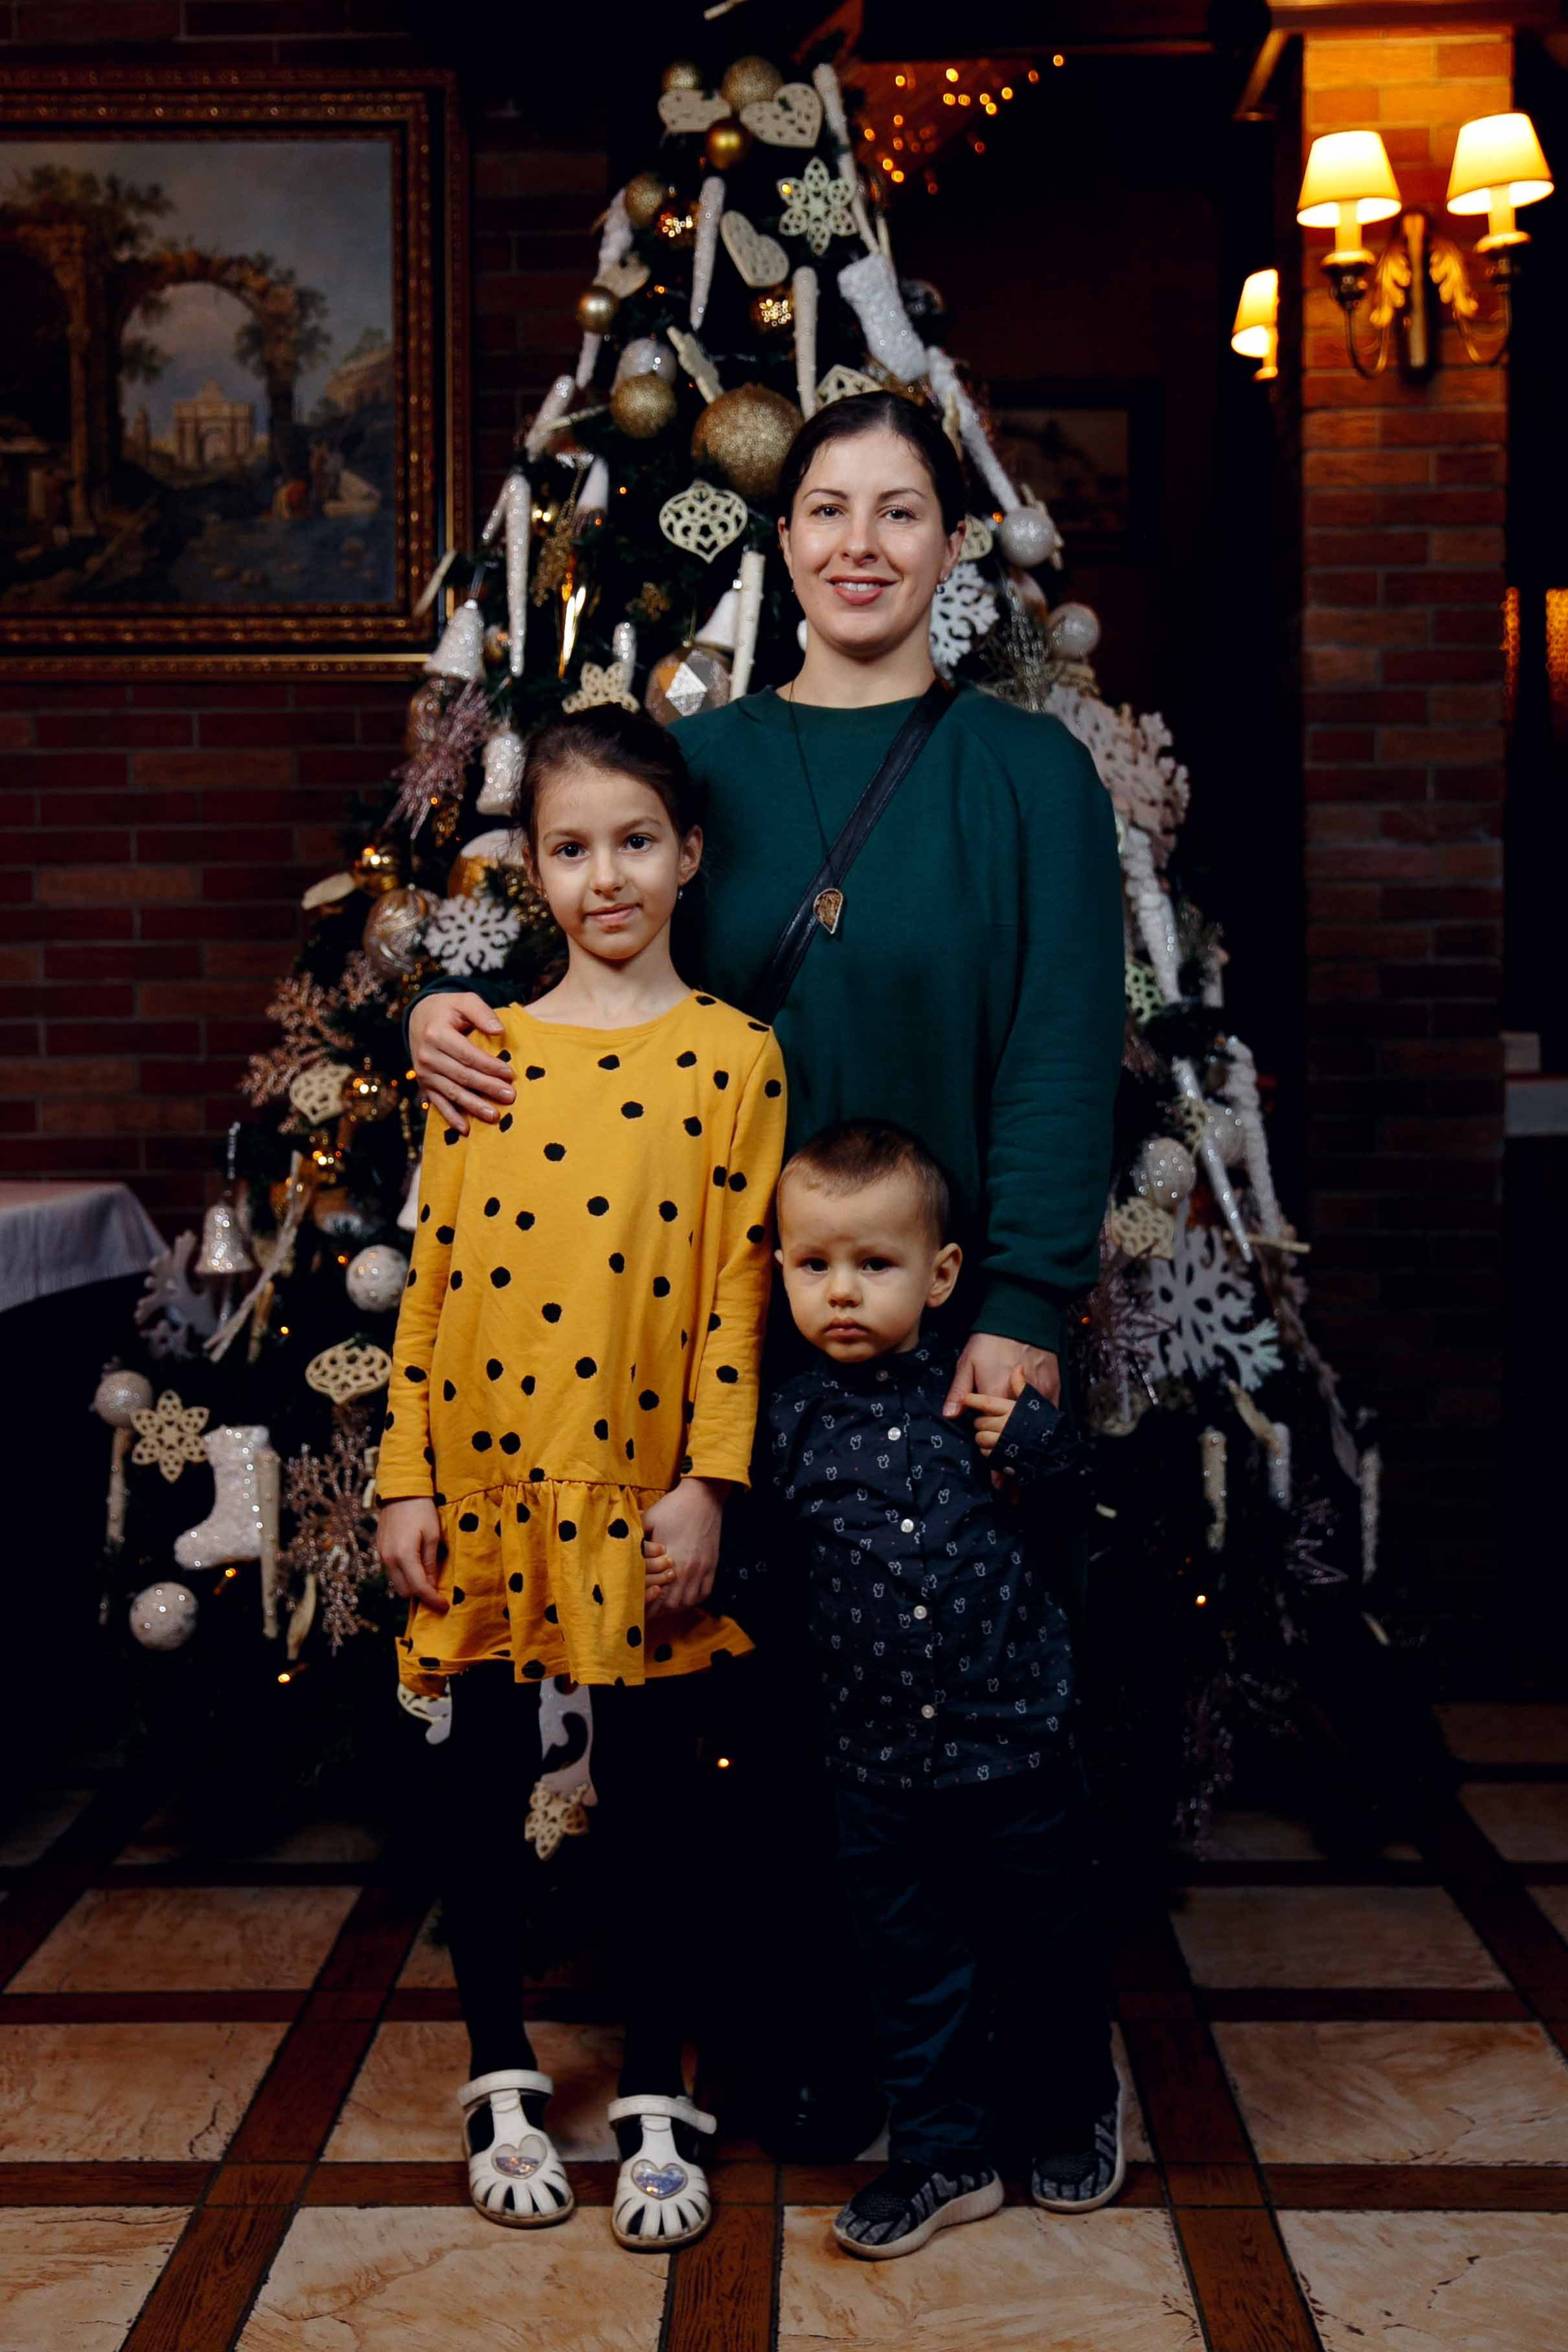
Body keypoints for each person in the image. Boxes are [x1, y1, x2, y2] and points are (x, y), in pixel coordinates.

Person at [407, 390, 1125, 2143]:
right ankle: (815, 2050)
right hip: (723, 1332)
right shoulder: (704, 765)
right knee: (766, 1714)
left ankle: (1030, 2069)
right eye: (827, 509)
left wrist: (1022, 1302)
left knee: (975, 1726)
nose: (860, 544)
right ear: (781, 536)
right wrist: (441, 1016)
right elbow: (593, 966)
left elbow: (1061, 1047)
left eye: (900, 510)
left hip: (945, 1330)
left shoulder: (1029, 773)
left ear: (954, 547)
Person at [376, 705, 786, 2247]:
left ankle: (657, 2088)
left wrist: (709, 1486)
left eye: (634, 842)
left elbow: (740, 1288)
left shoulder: (735, 1058)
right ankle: (499, 2072)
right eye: (569, 848)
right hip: (487, 1481)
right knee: (482, 1786)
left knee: (658, 1803)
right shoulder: (479, 1049)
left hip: (644, 1494)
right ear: (534, 870)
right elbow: (433, 1275)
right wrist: (406, 1477)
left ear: (688, 854)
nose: (604, 876)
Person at [767, 1118, 1120, 2257]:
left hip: (1016, 1740)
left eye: (875, 1264)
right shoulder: (787, 1422)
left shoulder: (981, 1393)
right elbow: (768, 1573)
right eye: (814, 1264)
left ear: (940, 1273)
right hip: (875, 1762)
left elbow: (1076, 1506)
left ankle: (1071, 2110)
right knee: (911, 1966)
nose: (842, 1292)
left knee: (1046, 1943)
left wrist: (1037, 1443)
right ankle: (942, 2155)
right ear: (780, 1269)